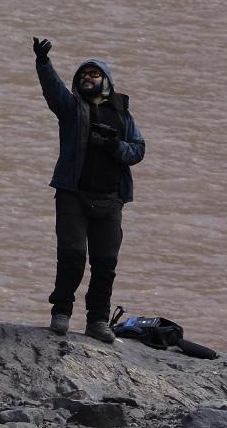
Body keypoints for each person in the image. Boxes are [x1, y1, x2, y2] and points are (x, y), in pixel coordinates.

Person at [33, 37, 146, 342]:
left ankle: (97, 321)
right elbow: (53, 91)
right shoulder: (71, 108)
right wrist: (43, 63)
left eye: (93, 74)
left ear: (106, 81)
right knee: (71, 256)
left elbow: (138, 151)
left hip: (110, 199)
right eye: (83, 74)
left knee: (105, 263)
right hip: (73, 194)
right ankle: (61, 313)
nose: (87, 78)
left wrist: (114, 146)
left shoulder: (123, 114)